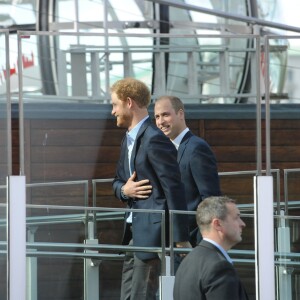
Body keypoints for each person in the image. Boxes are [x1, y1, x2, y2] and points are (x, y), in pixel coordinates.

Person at [110, 78, 191, 300]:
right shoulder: (127, 140)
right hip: (132, 233)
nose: (112, 111)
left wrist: (180, 236)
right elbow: (117, 182)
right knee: (128, 295)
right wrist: (125, 191)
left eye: (115, 105)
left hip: (152, 235)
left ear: (129, 103)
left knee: (141, 295)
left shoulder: (155, 139)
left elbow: (173, 187)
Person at [154, 95, 221, 247]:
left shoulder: (197, 148)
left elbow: (211, 199)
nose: (160, 122)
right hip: (168, 239)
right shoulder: (162, 150)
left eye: (165, 114)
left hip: (192, 242)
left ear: (180, 114)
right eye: (157, 117)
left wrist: (200, 242)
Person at [173, 196, 249, 300]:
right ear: (217, 224)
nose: (243, 224)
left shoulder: (187, 261)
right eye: (236, 217)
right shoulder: (220, 267)